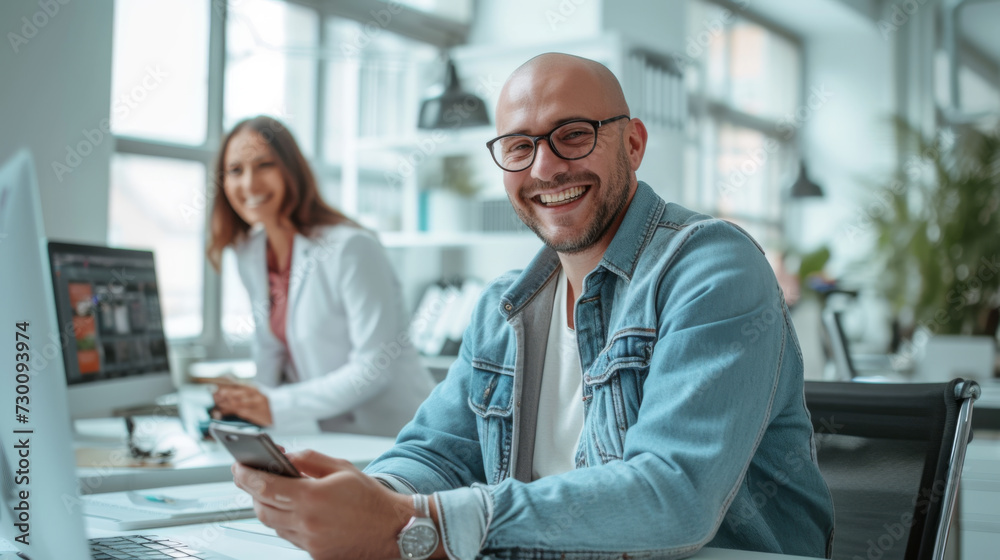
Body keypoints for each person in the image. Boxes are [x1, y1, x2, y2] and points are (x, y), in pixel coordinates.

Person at [232, 55, 835, 559]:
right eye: (519, 147)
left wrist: (416, 524)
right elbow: (436, 452)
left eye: (573, 135)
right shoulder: (504, 307)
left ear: (633, 142)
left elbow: (673, 497)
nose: (545, 167)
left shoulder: (711, 267)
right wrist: (366, 494)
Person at [206, 115, 435, 437]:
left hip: (392, 434)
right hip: (325, 434)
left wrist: (275, 404)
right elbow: (271, 352)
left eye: (264, 165)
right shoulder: (250, 254)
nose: (249, 184)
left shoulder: (351, 247)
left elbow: (374, 368)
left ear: (291, 169)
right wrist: (248, 408)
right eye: (235, 170)